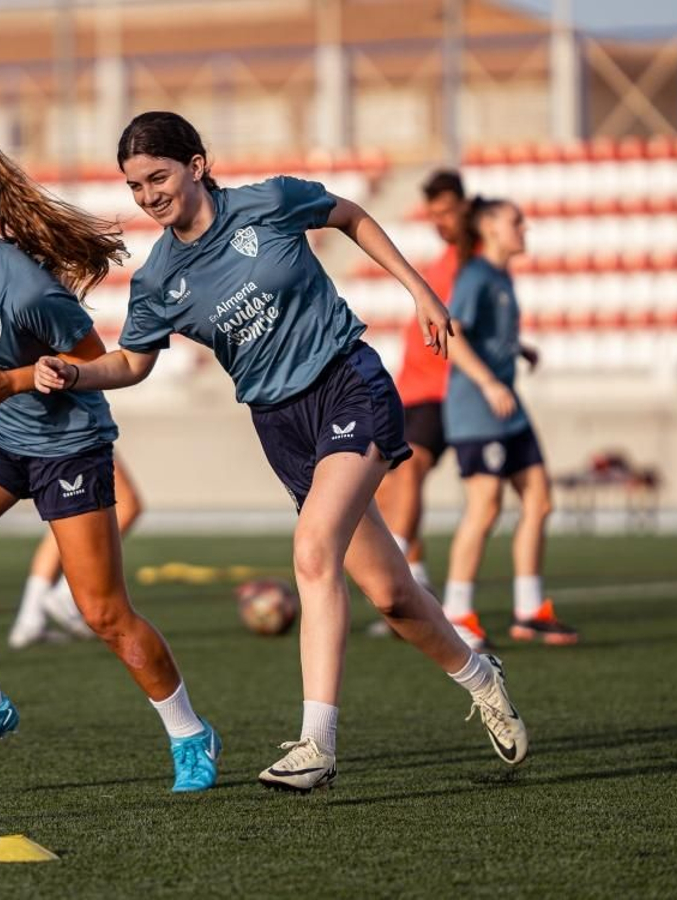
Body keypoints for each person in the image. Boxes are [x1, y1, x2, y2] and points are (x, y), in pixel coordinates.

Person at [36, 111, 529, 792]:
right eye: (134, 185)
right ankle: (481, 677)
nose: (148, 195)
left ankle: (316, 745)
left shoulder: (267, 202)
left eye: (158, 176)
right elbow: (131, 363)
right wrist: (75, 373)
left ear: (197, 166)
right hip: (280, 426)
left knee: (312, 550)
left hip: (347, 384)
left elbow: (350, 214)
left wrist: (420, 291)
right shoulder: (158, 281)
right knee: (392, 596)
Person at [0, 138, 222, 792]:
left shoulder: (24, 283)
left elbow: (91, 363)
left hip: (69, 441)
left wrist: (13, 383)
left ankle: (191, 732)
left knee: (103, 612)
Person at [437, 197, 579, 650]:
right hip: (479, 407)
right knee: (486, 506)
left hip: (507, 407)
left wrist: (519, 350)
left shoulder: (500, 276)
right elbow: (452, 334)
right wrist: (488, 383)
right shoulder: (476, 275)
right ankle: (457, 614)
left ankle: (530, 611)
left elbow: (488, 334)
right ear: (492, 227)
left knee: (538, 501)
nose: (525, 227)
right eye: (517, 221)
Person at [369, 169, 468, 638]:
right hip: (406, 391)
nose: (440, 222)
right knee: (385, 492)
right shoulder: (444, 260)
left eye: (447, 212)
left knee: (409, 472)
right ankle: (420, 587)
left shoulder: (472, 261)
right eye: (434, 214)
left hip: (443, 392)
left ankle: (400, 585)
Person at [9, 460, 142, 648]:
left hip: (50, 435)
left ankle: (31, 617)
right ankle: (63, 596)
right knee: (126, 505)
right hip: (69, 434)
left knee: (67, 518)